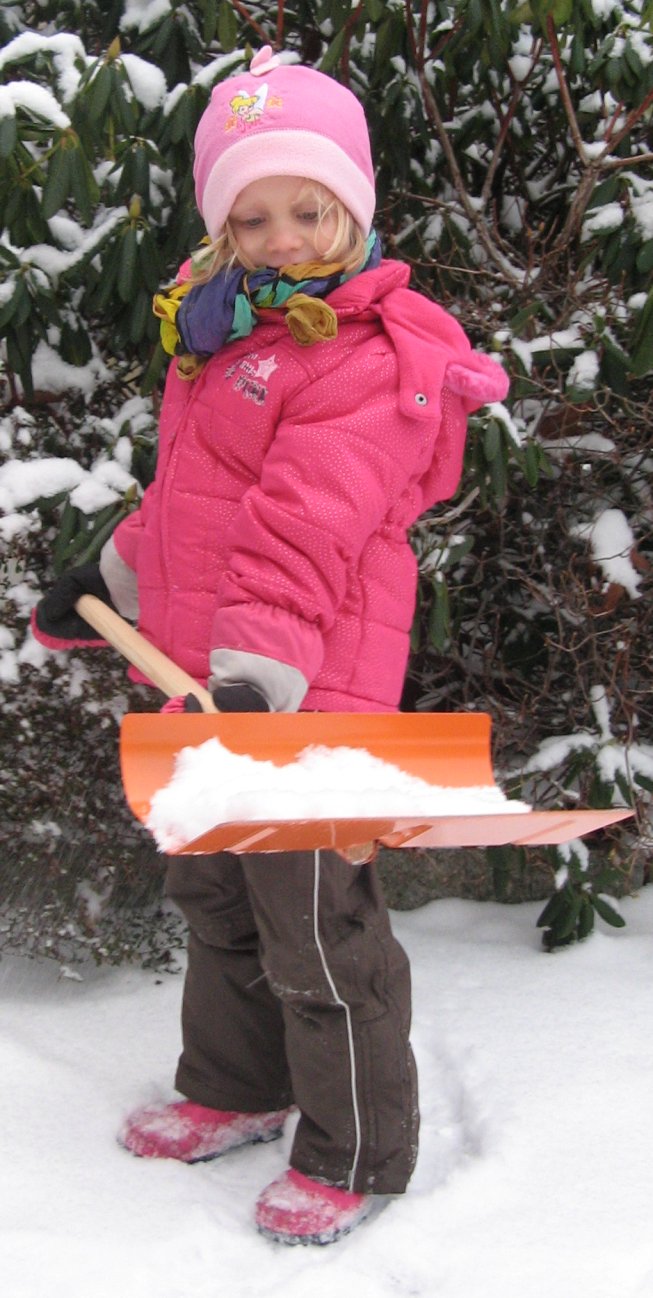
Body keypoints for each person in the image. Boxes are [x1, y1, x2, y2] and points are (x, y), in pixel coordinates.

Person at [33, 46, 509, 1246]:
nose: (283, 234)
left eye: (309, 208)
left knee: (314, 924)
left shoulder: (366, 357)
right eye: (252, 214)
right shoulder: (231, 340)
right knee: (216, 897)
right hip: (209, 688)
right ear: (221, 226)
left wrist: (257, 679)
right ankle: (241, 1085)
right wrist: (114, 574)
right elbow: (191, 503)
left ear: (353, 206)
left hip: (297, 688)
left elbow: (304, 526)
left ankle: (355, 1146)